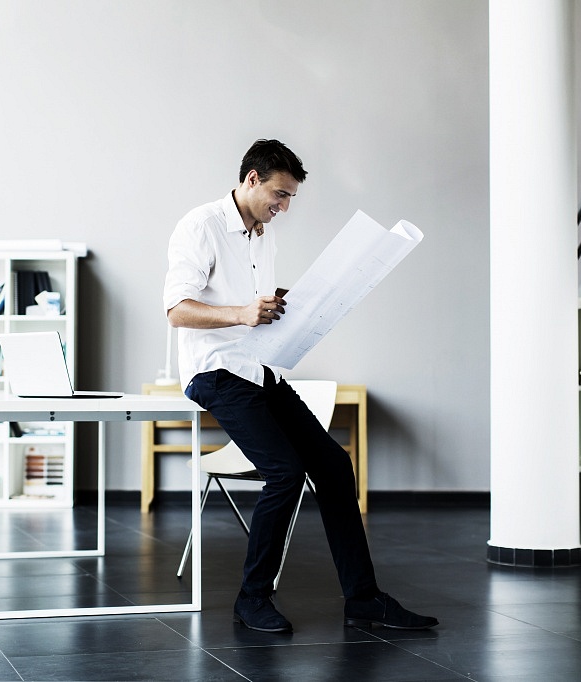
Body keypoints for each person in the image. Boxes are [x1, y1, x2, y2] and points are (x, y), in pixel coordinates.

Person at [163, 138, 439, 633]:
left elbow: (254, 304)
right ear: (252, 179)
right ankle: (251, 600)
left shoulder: (262, 234)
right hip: (216, 371)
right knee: (285, 472)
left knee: (333, 464)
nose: (284, 206)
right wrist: (245, 312)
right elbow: (177, 310)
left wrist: (282, 302)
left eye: (290, 197)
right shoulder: (200, 226)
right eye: (280, 194)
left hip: (261, 368)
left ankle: (364, 599)